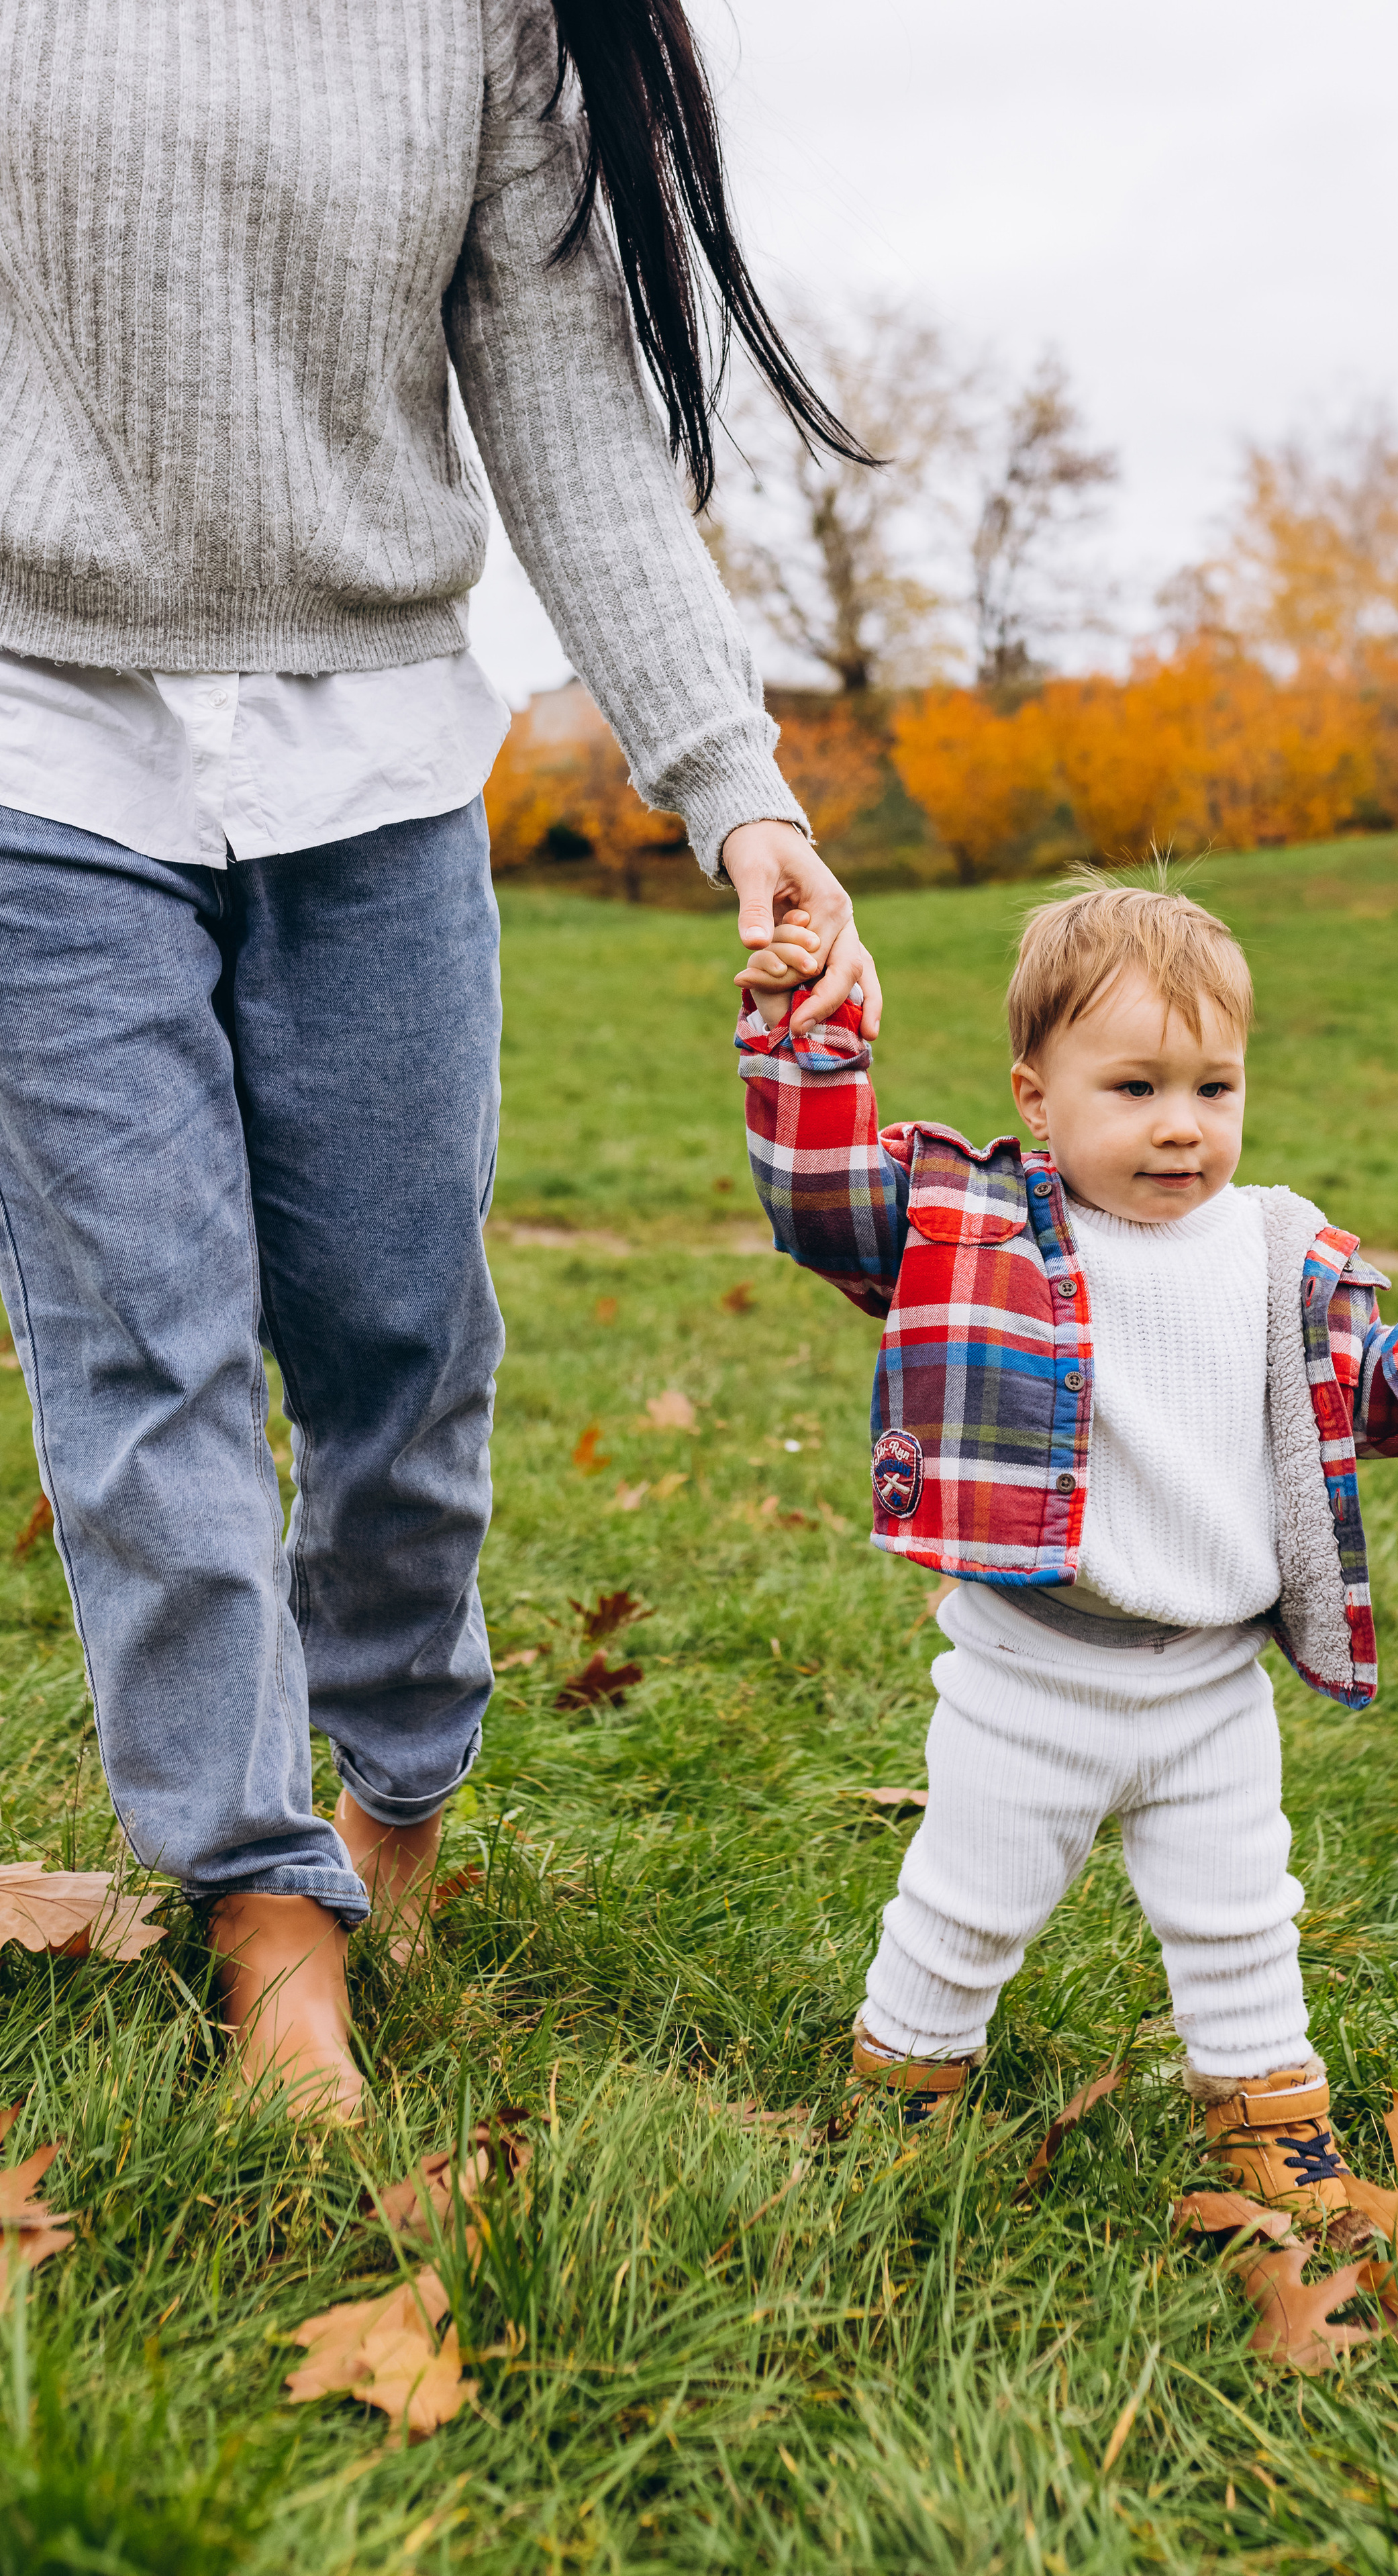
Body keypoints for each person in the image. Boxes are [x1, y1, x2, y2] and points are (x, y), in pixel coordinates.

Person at [0, 0, 879, 2120]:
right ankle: (263, 1903)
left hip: (372, 757)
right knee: (146, 1349)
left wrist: (734, 785)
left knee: (403, 1332)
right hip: (36, 736)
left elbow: (565, 406)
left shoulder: (489, 16)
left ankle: (394, 1782)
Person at [732, 881, 1398, 2211]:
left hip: (1206, 1682)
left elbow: (1346, 1398)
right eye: (1131, 1087)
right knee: (962, 1908)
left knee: (1241, 1920)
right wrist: (803, 1041)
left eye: (1212, 1087)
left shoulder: (1277, 1248)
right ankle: (898, 2101)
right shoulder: (971, 1225)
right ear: (1035, 1096)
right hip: (1027, 1675)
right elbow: (819, 1203)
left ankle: (1272, 2132)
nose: (1180, 1126)